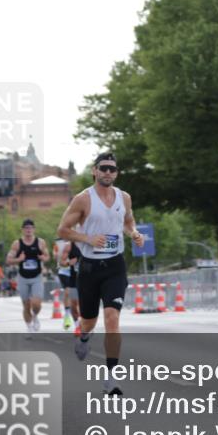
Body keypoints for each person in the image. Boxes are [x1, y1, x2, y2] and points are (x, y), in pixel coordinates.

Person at [58, 152, 145, 396]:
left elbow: (128, 222)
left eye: (112, 169)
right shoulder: (83, 199)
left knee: (112, 319)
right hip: (89, 268)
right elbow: (63, 230)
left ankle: (111, 378)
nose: (108, 172)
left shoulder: (124, 198)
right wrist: (87, 238)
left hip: (115, 266)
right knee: (89, 321)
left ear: (116, 173)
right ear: (95, 171)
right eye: (103, 168)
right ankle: (84, 337)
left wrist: (134, 234)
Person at [6, 219, 49, 334]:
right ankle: (29, 326)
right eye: (26, 228)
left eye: (30, 228)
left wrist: (43, 258)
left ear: (34, 229)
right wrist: (18, 260)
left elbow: (47, 256)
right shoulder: (17, 243)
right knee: (26, 305)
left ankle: (35, 316)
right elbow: (8, 260)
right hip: (23, 278)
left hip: (37, 277)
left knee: (36, 303)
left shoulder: (40, 242)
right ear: (23, 230)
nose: (28, 230)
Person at [58, 237, 83, 334]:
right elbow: (61, 262)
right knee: (74, 303)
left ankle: (85, 324)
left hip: (87, 278)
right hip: (73, 278)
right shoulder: (69, 246)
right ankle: (77, 325)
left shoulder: (89, 242)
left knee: (84, 304)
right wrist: (68, 263)